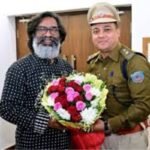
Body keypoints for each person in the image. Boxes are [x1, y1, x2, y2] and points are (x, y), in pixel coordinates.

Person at [0, 11, 73, 149]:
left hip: (64, 144)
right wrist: (46, 121)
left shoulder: (67, 68)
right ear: (33, 34)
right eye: (42, 29)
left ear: (60, 36)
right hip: (31, 145)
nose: (48, 34)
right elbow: (6, 108)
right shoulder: (19, 68)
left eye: (54, 30)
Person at [86, 2, 150, 150]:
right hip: (100, 138)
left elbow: (143, 106)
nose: (101, 35)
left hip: (128, 139)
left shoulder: (134, 62)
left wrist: (109, 125)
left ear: (118, 31)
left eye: (107, 29)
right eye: (96, 31)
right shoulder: (93, 63)